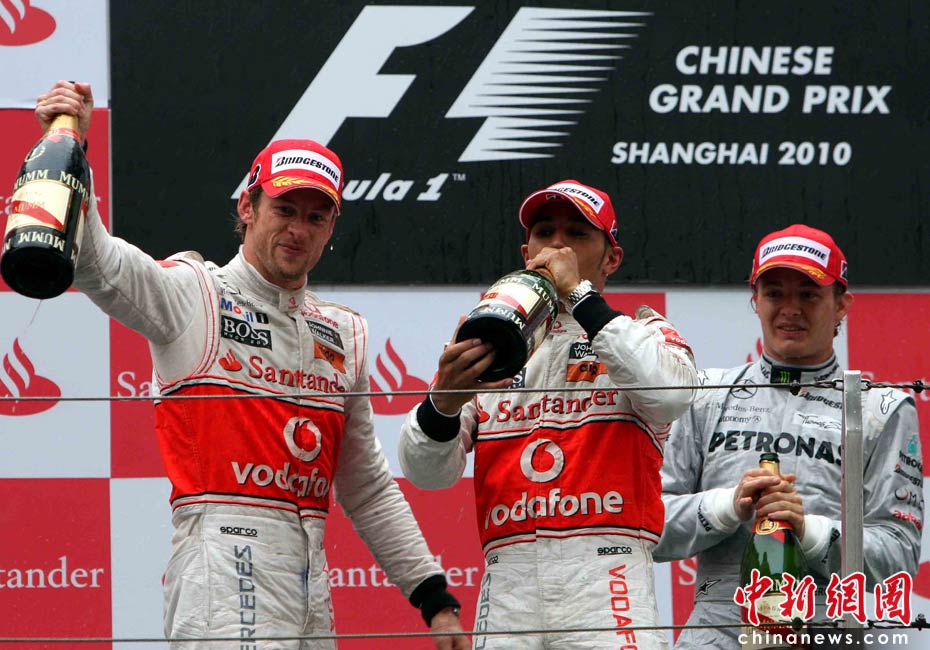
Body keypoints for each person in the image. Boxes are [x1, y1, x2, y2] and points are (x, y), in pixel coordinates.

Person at [34, 81, 467, 650]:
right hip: (222, 569)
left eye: (316, 217)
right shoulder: (195, 294)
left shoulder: (344, 333)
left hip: (309, 580)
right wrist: (69, 149)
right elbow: (99, 264)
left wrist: (433, 597)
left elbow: (366, 487)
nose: (298, 230)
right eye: (284, 209)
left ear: (331, 227)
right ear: (248, 207)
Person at [398, 180, 698, 649]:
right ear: (526, 254)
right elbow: (426, 473)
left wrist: (579, 293)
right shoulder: (487, 343)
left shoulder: (644, 334)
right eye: (544, 233)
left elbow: (672, 395)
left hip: (608, 574)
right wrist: (444, 402)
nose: (557, 247)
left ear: (611, 259)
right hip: (509, 579)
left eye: (577, 234)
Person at [655, 224, 923, 649]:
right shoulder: (704, 393)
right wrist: (727, 506)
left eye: (809, 295)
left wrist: (808, 529)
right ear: (755, 300)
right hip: (718, 629)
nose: (790, 309)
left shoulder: (881, 408)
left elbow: (899, 556)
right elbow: (648, 528)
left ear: (842, 305)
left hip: (830, 626)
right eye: (775, 293)